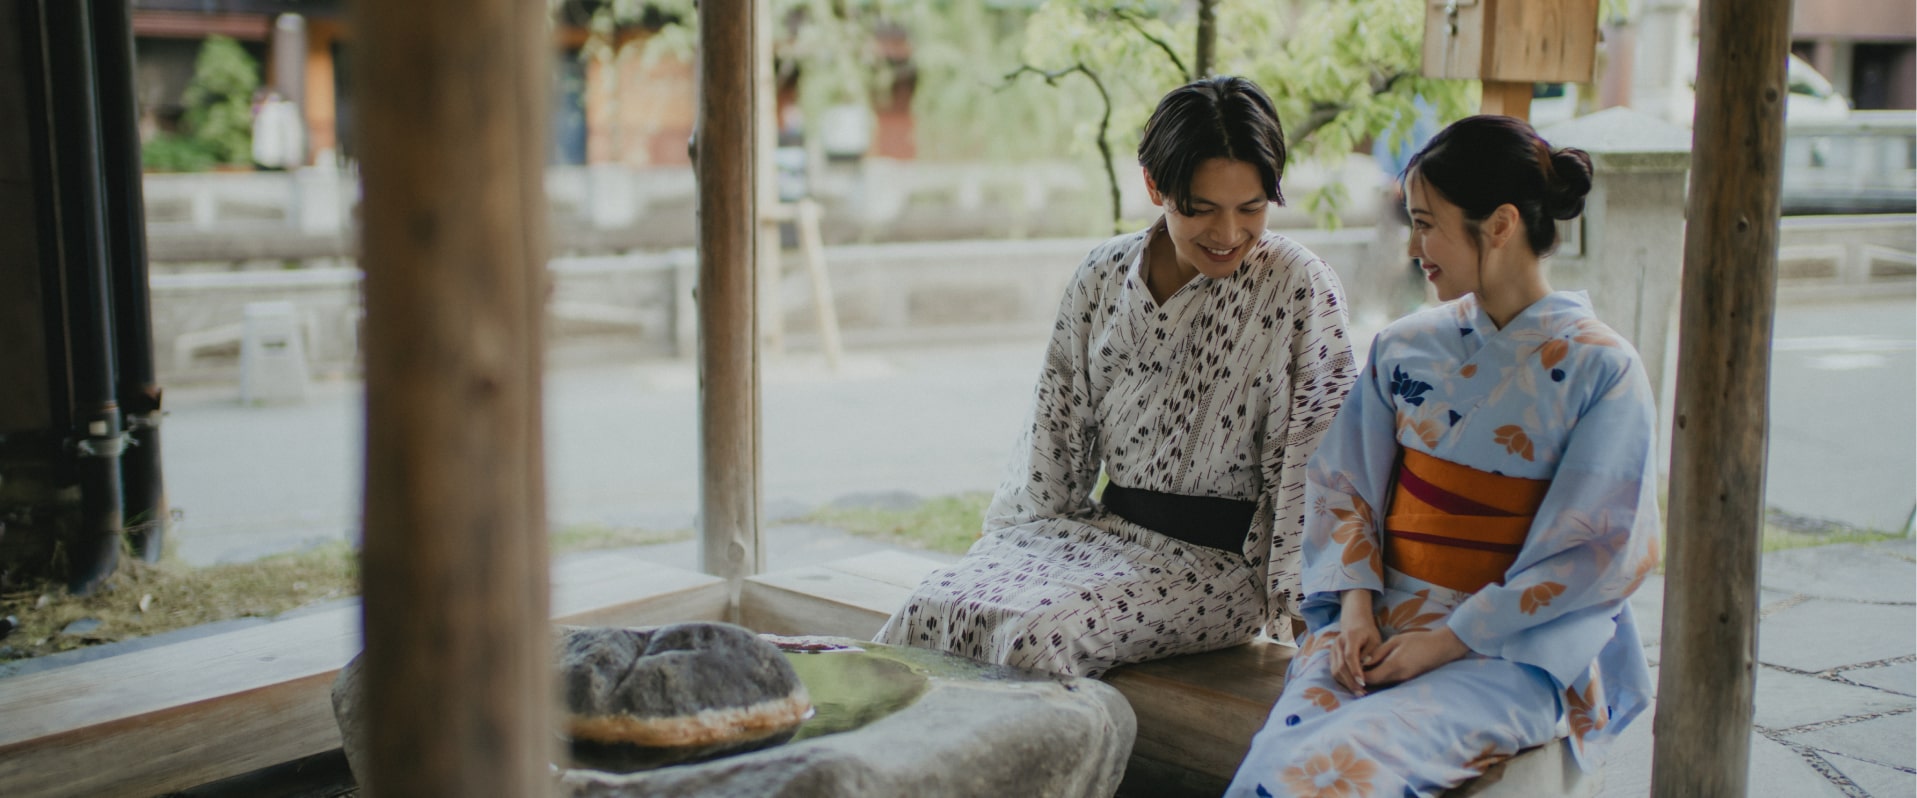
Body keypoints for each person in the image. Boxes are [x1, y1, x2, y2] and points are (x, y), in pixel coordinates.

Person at [1226, 115, 1661, 797]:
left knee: (1333, 776)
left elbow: (1595, 547)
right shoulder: (1404, 346)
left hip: (1511, 646)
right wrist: (1356, 611)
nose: (1414, 246)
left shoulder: (1602, 369)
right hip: (1379, 623)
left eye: (1427, 224)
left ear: (1499, 224)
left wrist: (1450, 637)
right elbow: (1344, 485)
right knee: (1272, 770)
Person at [872, 75, 1357, 678]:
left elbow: (1319, 461)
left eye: (1250, 208)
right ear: (1156, 186)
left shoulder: (1297, 285)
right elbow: (1054, 438)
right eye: (1201, 209)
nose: (1229, 234)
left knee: (1036, 638)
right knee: (929, 609)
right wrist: (1015, 550)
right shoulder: (1101, 275)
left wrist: (1316, 613)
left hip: (1218, 566)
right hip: (1099, 536)